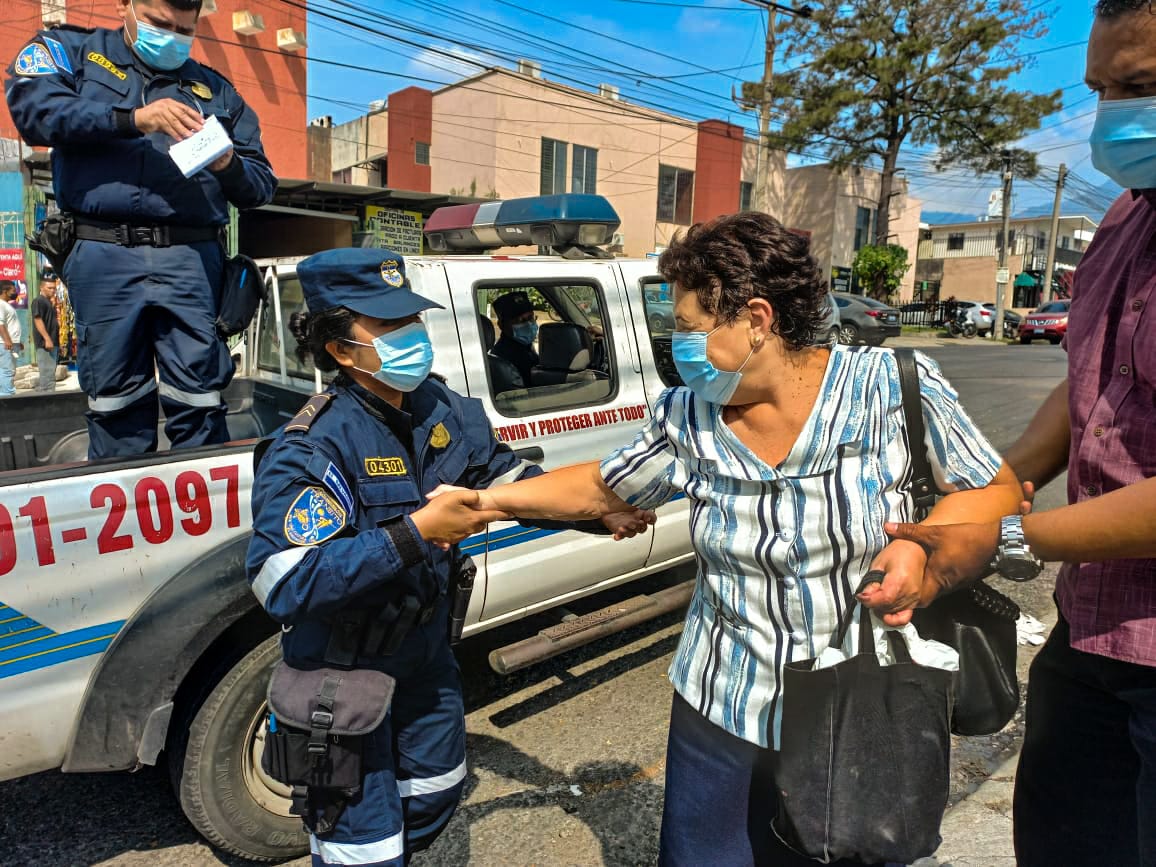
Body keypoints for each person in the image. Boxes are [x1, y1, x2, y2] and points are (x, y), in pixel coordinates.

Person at [458, 212, 1023, 865]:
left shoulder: (887, 388)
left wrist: (925, 550)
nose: (677, 344)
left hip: (859, 704)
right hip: (720, 704)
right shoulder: (686, 416)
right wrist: (490, 500)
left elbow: (995, 489)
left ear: (757, 319)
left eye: (691, 328)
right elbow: (603, 486)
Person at [246, 248, 649, 867]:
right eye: (387, 327)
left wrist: (600, 516)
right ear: (340, 349)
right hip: (344, 673)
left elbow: (512, 484)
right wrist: (412, 534)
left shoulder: (443, 408)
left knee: (436, 793)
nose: (411, 336)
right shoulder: (313, 443)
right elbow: (283, 580)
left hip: (425, 656)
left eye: (411, 319)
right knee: (363, 848)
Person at [886, 3, 1156, 863]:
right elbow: (1094, 393)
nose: (1114, 114)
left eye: (1141, 85)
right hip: (1094, 630)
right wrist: (989, 493)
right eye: (1103, 88)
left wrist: (1004, 536)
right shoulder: (1123, 221)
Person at [5, 0, 276, 458]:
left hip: (191, 258)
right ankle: (124, 508)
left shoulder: (216, 90)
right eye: (158, 23)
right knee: (115, 400)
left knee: (201, 401)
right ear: (124, 6)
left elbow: (260, 185)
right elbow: (34, 111)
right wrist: (132, 119)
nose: (171, 37)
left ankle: (203, 514)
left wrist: (228, 163)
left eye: (183, 30)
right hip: (102, 251)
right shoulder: (70, 50)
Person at [490, 291, 540, 386]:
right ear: (502, 326)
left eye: (531, 317)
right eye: (520, 320)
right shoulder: (505, 359)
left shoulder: (526, 348)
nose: (529, 324)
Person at [30, 271, 59, 393]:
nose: (53, 290)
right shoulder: (38, 301)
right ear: (41, 287)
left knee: (50, 374)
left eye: (54, 288)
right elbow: (37, 320)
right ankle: (46, 402)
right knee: (47, 376)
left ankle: (48, 398)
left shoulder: (48, 302)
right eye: (49, 288)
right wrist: (47, 339)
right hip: (45, 344)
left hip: (52, 343)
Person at [0, 280, 21, 397]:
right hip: (5, 345)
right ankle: (6, 397)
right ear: (5, 291)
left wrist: (18, 342)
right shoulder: (1, 304)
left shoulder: (6, 305)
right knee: (7, 371)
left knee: (7, 371)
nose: (16, 292)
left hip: (9, 343)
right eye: (13, 290)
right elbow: (0, 324)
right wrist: (8, 340)